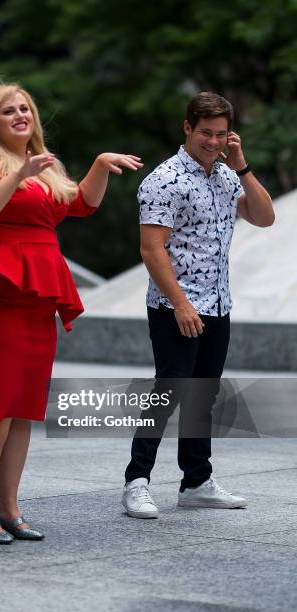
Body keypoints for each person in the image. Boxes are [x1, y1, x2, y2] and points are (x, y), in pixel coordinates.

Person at [0, 79, 143, 544]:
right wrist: (18, 174)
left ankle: (10, 506)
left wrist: (98, 166)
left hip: (33, 298)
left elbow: (82, 204)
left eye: (25, 108)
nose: (20, 116)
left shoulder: (46, 167)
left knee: (24, 408)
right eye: (8, 111)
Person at [122, 92, 274, 519]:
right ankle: (137, 480)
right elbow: (152, 249)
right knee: (168, 392)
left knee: (202, 395)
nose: (213, 141)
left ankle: (196, 482)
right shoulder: (164, 179)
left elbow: (264, 217)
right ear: (187, 128)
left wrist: (241, 164)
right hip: (176, 306)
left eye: (221, 134)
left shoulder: (227, 176)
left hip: (218, 304)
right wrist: (181, 305)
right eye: (205, 132)